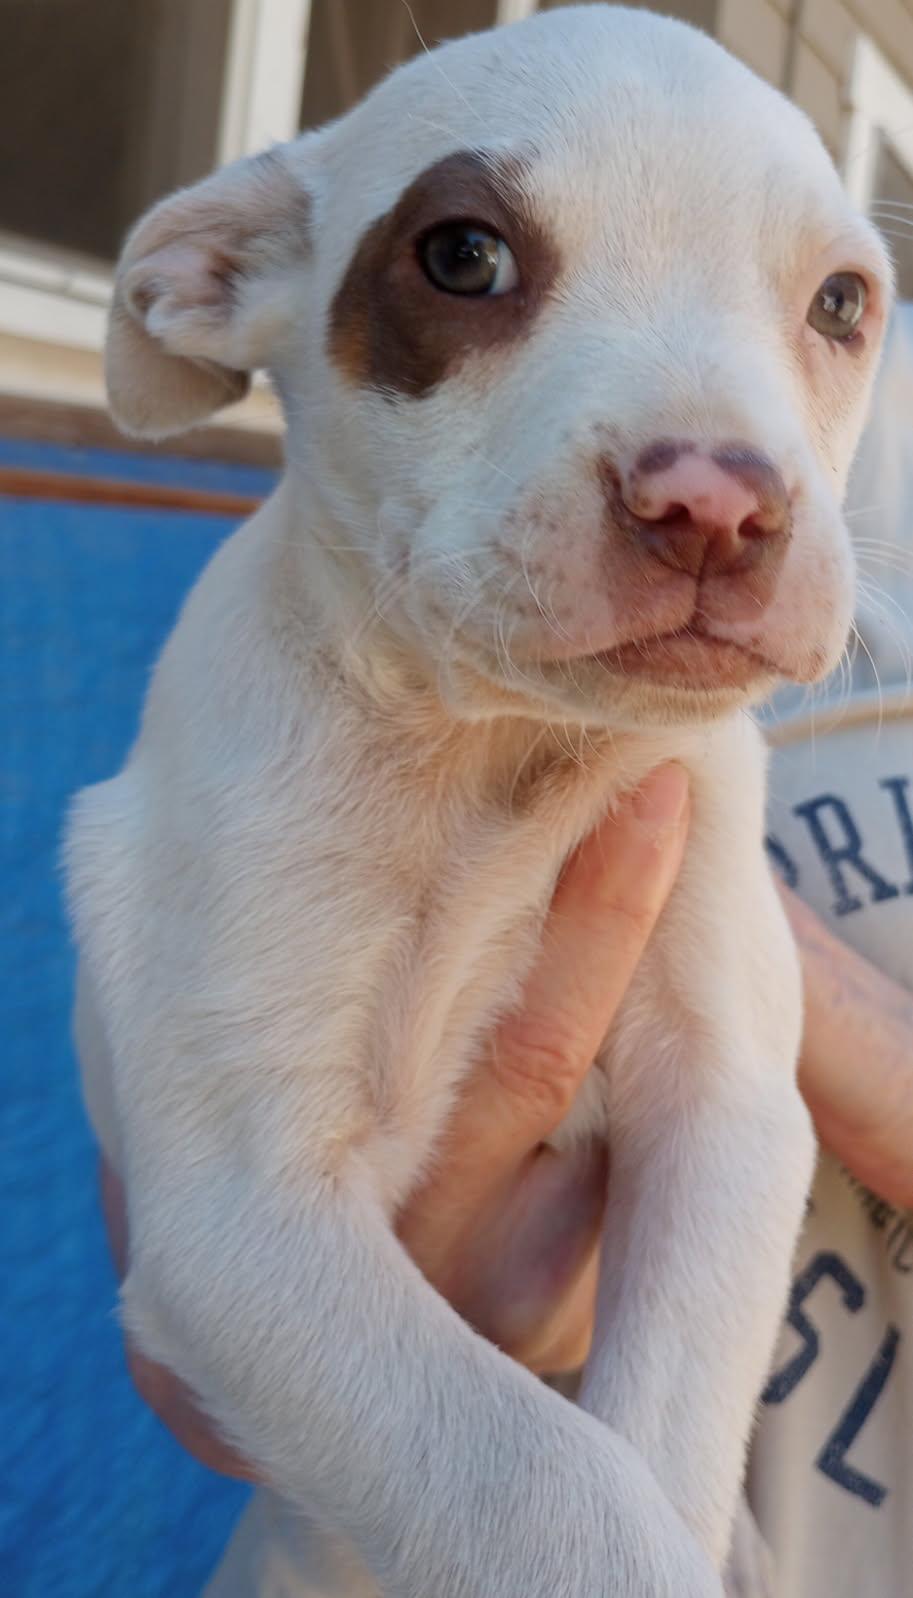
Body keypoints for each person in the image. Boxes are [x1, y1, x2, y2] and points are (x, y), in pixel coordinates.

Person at [101, 308, 913, 1597]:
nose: (707, 496)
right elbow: (184, 1298)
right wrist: (289, 1274)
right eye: (470, 266)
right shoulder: (778, 350)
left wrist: (729, 959)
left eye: (835, 310)